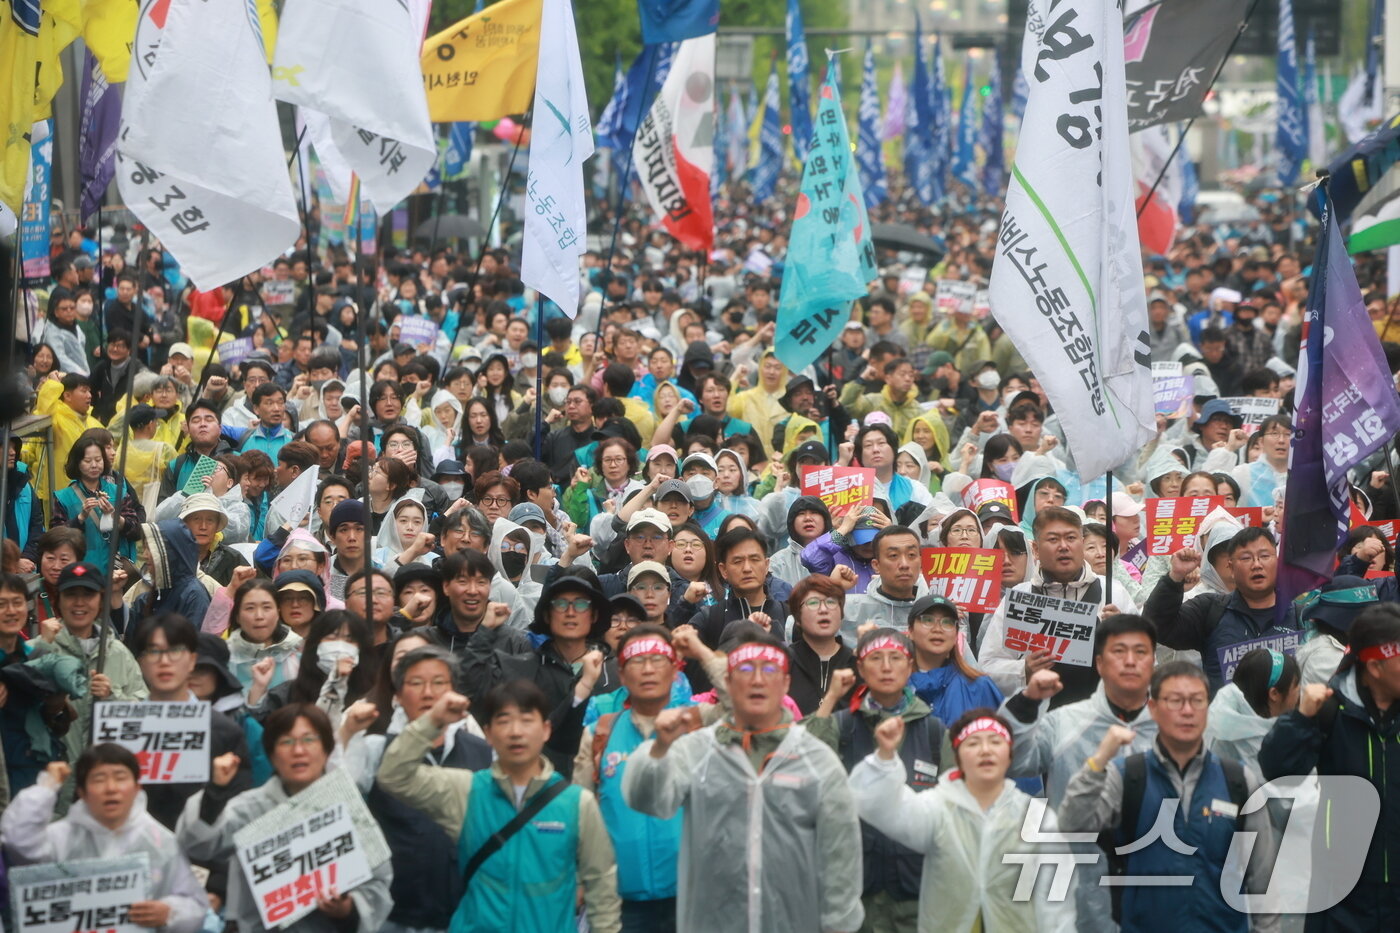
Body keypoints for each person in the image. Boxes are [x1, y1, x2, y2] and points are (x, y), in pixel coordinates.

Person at [622, 631, 865, 933]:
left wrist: (839, 925)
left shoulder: (816, 760)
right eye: (746, 670)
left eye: (770, 670)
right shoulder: (697, 750)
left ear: (786, 684)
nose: (758, 680)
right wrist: (659, 748)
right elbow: (646, 800)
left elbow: (840, 855)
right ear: (728, 682)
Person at [376, 680, 622, 932]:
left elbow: (602, 885)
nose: (516, 731)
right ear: (489, 734)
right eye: (504, 721)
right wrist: (434, 720)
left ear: (546, 729)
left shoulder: (576, 803)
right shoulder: (466, 791)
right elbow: (393, 775)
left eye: (527, 720)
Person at [1058, 661, 1278, 933]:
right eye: (1175, 701)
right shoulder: (1128, 776)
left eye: (1197, 701)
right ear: (1153, 709)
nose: (1187, 711)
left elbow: (1263, 876)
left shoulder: (1238, 781)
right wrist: (1098, 762)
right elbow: (1072, 826)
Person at [847, 708, 1075, 932]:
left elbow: (1058, 899)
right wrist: (885, 756)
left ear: (1010, 755)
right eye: (973, 743)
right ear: (957, 757)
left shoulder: (1035, 817)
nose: (985, 750)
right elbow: (881, 806)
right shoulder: (938, 807)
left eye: (995, 742)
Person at [176, 705, 394, 933]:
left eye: (309, 740)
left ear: (327, 749)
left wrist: (347, 908)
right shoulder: (250, 807)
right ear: (272, 754)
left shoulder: (347, 807)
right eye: (286, 742)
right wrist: (215, 792)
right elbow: (199, 845)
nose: (298, 751)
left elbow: (378, 883)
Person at [1259, 605, 1400, 930]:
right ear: (1375, 667)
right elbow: (1277, 770)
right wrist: (1301, 719)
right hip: (1341, 898)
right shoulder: (1329, 711)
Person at [807, 628, 955, 932]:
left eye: (896, 658)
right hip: (854, 889)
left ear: (911, 665)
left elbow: (954, 816)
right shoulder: (841, 726)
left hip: (917, 892)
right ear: (860, 668)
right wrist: (832, 697)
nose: (886, 667)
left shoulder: (935, 733)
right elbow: (802, 765)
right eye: (875, 658)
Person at [342, 646, 492, 933]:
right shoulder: (375, 749)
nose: (428, 693)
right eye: (415, 683)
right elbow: (336, 801)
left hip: (467, 912)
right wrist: (347, 733)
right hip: (393, 913)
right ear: (397, 695)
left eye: (439, 683)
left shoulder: (483, 753)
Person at [1, 746, 208, 933]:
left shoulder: (161, 841)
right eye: (99, 779)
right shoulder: (60, 836)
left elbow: (194, 904)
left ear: (137, 788)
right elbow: (18, 842)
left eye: (120, 778)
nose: (111, 788)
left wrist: (169, 913)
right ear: (82, 791)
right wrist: (46, 787)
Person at [572, 626, 693, 932]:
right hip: (619, 900)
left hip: (691, 895)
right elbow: (579, 815)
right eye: (637, 661)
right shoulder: (599, 735)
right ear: (622, 676)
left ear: (676, 670)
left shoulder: (698, 730)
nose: (648, 669)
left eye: (658, 659)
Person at [979, 506, 1136, 705]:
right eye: (1053, 539)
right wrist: (1023, 669)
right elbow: (988, 666)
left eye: (1071, 538)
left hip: (1100, 717)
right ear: (1035, 549)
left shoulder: (1113, 592)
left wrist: (1123, 637)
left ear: (1081, 542)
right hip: (1038, 720)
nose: (1063, 546)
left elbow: (1145, 661)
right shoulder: (1020, 597)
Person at [129, 614, 252, 829]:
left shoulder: (224, 731)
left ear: (192, 660)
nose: (164, 661)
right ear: (140, 661)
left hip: (203, 855)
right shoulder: (119, 728)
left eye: (175, 651)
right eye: (154, 651)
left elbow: (239, 812)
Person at [1143, 527, 1298, 691]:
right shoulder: (1210, 610)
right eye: (1246, 558)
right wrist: (1174, 578)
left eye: (1264, 556)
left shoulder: (1301, 617)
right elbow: (1156, 627)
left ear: (1278, 562)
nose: (1257, 564)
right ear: (1231, 567)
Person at [904, 594, 1004, 727]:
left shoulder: (980, 687)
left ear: (956, 634)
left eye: (947, 622)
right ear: (910, 630)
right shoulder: (891, 685)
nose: (937, 629)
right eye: (927, 620)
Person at [1205, 648, 1300, 769]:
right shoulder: (1274, 750)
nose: (1300, 690)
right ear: (1274, 694)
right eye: (1296, 685)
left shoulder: (1221, 722)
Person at [785, 575, 857, 715]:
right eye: (813, 603)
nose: (824, 609)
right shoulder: (785, 662)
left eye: (831, 602)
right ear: (797, 618)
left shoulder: (855, 663)